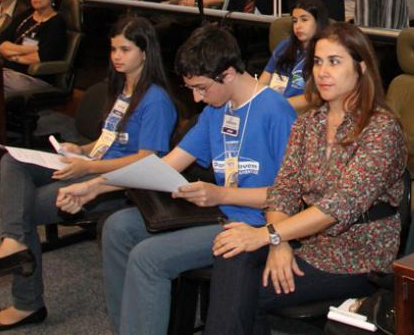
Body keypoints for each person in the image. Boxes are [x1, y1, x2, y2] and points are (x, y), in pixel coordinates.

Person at [57, 25, 297, 335]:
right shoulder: (216, 110)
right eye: (191, 88)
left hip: (253, 224)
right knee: (117, 228)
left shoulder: (276, 112)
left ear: (227, 74)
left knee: (149, 258)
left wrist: (221, 195)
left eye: (201, 88)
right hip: (218, 211)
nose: (196, 98)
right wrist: (95, 186)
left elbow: (289, 195)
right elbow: (165, 165)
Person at [203, 22, 407, 333]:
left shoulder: (381, 129)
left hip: (359, 255)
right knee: (233, 255)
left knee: (244, 291)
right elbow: (282, 191)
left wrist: (267, 235)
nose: (322, 72)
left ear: (361, 67)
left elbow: (338, 206)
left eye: (334, 62)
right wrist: (278, 242)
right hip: (306, 243)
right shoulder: (308, 124)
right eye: (318, 62)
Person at [0, 17, 177, 330]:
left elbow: (147, 160)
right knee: (12, 162)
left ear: (145, 52)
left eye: (125, 49)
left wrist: (89, 166)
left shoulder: (155, 99)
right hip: (93, 164)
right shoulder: (123, 87)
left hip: (119, 185)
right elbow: (110, 139)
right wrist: (82, 149)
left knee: (23, 206)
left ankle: (27, 302)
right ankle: (14, 241)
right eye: (113, 49)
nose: (116, 56)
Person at [0, 0, 67, 99]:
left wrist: (11, 55)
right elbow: (1, 41)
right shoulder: (27, 14)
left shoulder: (57, 22)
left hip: (34, 77)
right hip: (8, 71)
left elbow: (40, 57)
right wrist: (27, 50)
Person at [258, 0, 328, 113]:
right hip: (272, 106)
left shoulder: (324, 52)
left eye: (304, 20)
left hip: (300, 112)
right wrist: (256, 100)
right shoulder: (285, 45)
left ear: (318, 22)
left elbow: (315, 97)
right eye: (295, 21)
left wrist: (276, 106)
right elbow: (264, 79)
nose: (297, 26)